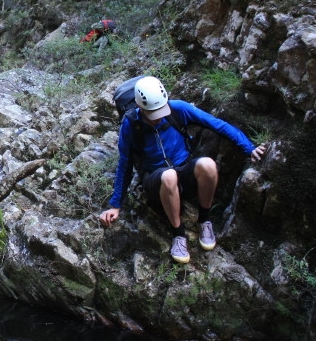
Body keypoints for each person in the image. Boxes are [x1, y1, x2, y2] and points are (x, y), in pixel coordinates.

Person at [98, 76, 266, 263]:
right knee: (169, 176)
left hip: (184, 170)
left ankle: (204, 221)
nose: (158, 117)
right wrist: (115, 205)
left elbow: (217, 124)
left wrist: (249, 148)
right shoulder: (131, 124)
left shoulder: (177, 109)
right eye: (153, 113)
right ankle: (178, 234)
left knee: (208, 165)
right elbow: (125, 163)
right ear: (141, 107)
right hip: (156, 179)